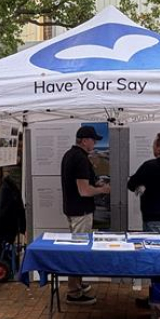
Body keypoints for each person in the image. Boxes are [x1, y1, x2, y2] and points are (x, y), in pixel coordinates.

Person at [61, 125, 110, 305]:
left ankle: (78, 283)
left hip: (73, 209)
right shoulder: (80, 159)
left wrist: (96, 180)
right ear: (84, 140)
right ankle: (73, 292)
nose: (95, 142)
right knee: (78, 251)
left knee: (78, 247)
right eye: (93, 139)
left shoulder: (70, 155)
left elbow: (81, 183)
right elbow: (84, 190)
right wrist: (102, 189)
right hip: (81, 211)